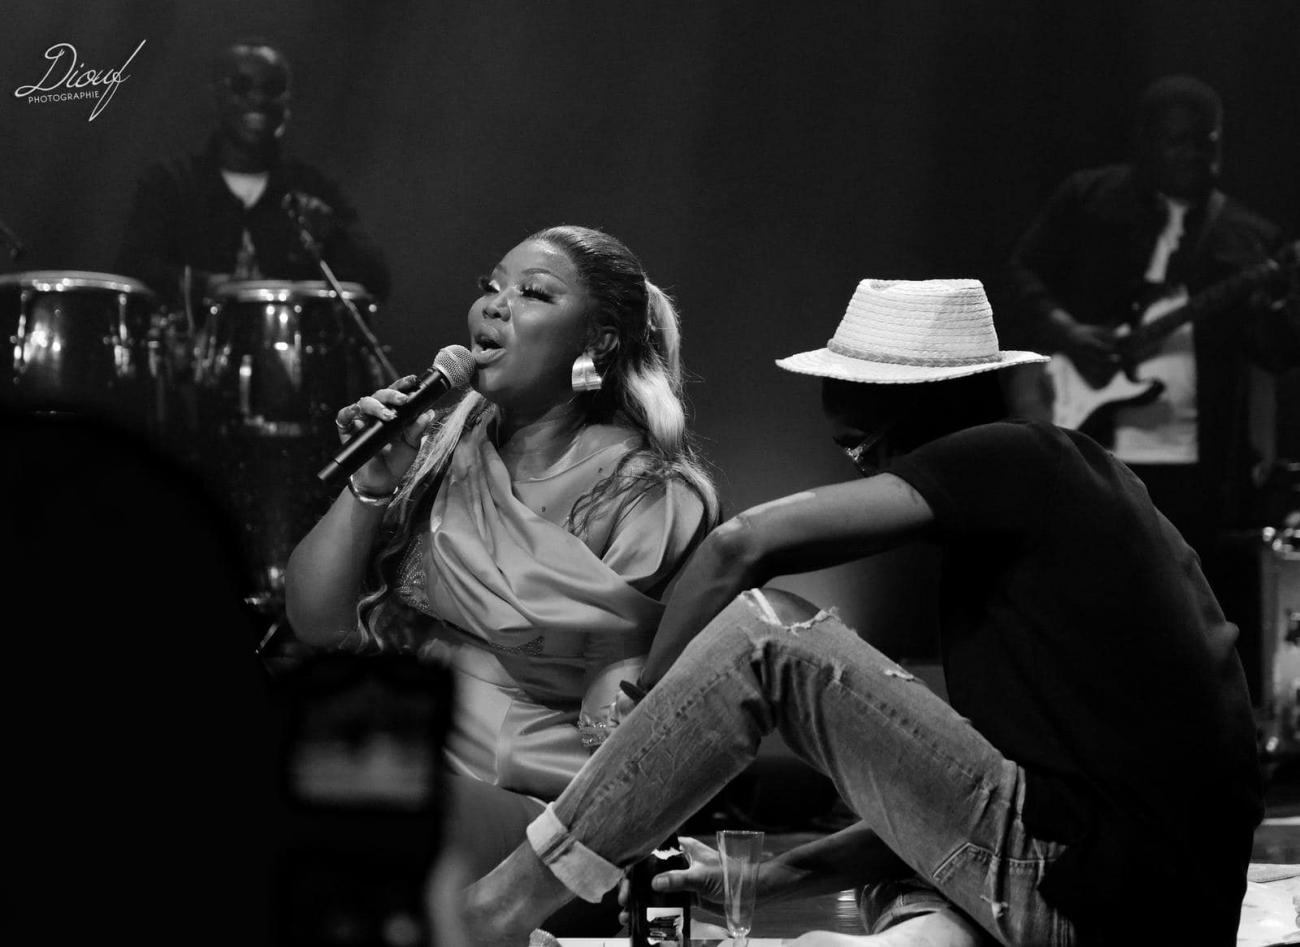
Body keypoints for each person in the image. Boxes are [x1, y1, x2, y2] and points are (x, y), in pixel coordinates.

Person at [460, 278, 1263, 946]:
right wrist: (770, 879)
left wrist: (645, 696)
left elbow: (744, 545)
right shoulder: (1055, 530)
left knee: (769, 633)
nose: (862, 467)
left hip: (1092, 898)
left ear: (913, 412)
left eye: (857, 445)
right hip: (1126, 901)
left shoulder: (1023, 455)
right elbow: (977, 808)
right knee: (908, 912)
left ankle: (496, 909)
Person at [285, 224, 719, 932]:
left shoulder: (649, 493)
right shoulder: (444, 452)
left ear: (598, 341)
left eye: (532, 294)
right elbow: (318, 621)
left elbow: (630, 695)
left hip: (548, 805)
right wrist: (369, 485)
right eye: (491, 287)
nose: (495, 305)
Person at [1002, 75, 1300, 640]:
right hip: (1088, 438)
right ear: (1146, 142)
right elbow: (1020, 276)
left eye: (1206, 143)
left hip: (1198, 467)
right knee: (1085, 593)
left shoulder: (1246, 234)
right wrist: (1067, 332)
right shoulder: (1087, 199)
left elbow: (1273, 351)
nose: (1193, 155)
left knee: (1180, 609)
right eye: (1178, 141)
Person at [115, 38, 391, 321]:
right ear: (215, 96)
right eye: (242, 86)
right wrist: (207, 286)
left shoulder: (314, 188)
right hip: (187, 355)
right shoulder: (170, 183)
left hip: (288, 356)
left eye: (272, 88)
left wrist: (333, 234)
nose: (258, 99)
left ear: (287, 100)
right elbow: (133, 269)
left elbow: (378, 282)